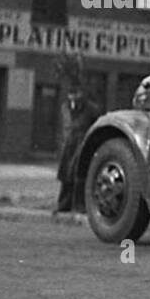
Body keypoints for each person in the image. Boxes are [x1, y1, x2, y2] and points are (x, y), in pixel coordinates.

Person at [54, 83, 101, 213]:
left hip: (83, 145)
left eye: (77, 94)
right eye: (71, 94)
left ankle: (80, 205)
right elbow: (63, 126)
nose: (74, 97)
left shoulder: (91, 109)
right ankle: (64, 205)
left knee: (79, 175)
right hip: (68, 146)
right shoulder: (65, 107)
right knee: (66, 176)